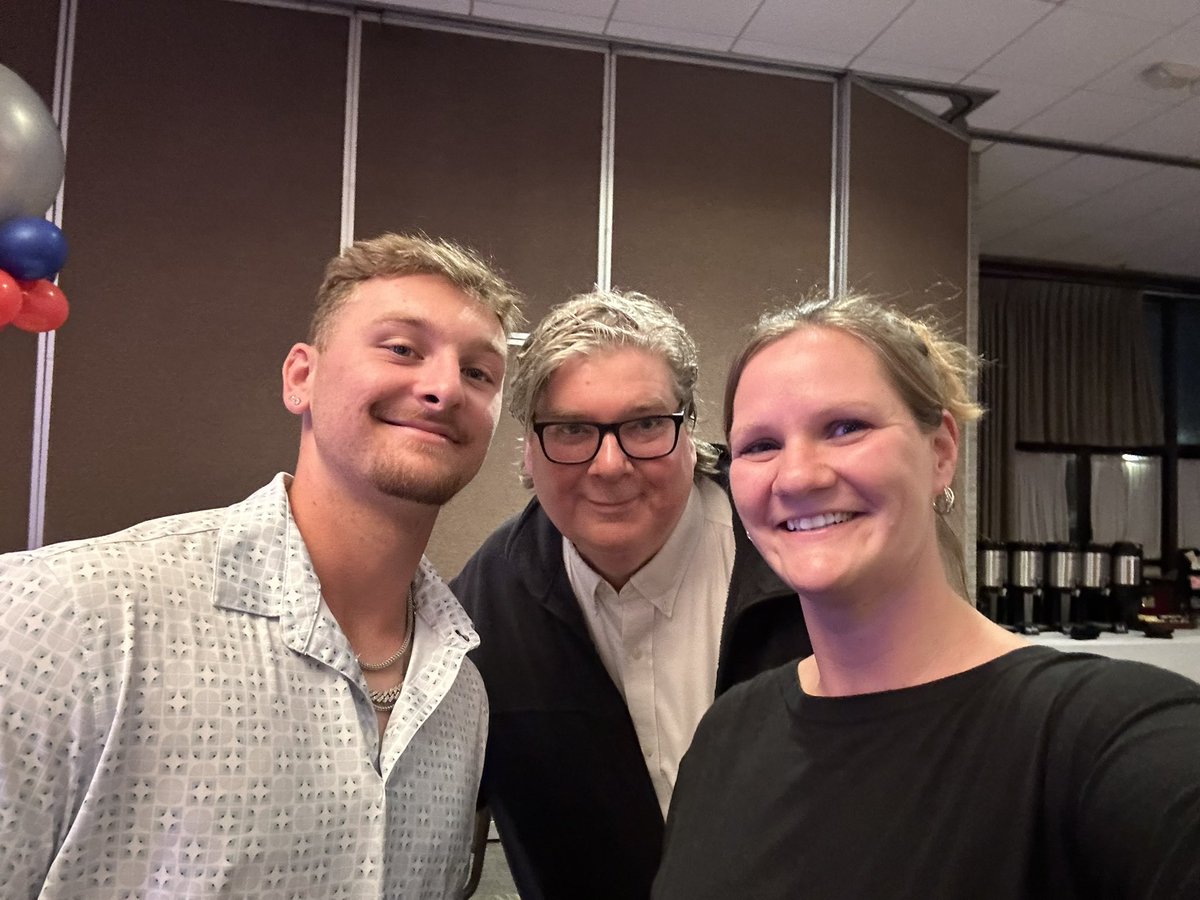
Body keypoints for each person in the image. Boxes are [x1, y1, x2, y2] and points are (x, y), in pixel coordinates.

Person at [0, 233, 524, 898]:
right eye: (402, 348)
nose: (445, 386)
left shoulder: (461, 698)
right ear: (300, 377)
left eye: (479, 373)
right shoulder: (65, 618)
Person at [653, 294, 1200, 900]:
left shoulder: (1100, 736)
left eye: (845, 428)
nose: (799, 476)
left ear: (940, 450)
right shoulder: (727, 733)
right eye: (759, 445)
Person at [451, 289, 812, 900]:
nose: (611, 465)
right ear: (529, 450)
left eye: (645, 424)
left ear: (690, 430)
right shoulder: (486, 602)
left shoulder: (799, 563)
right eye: (571, 429)